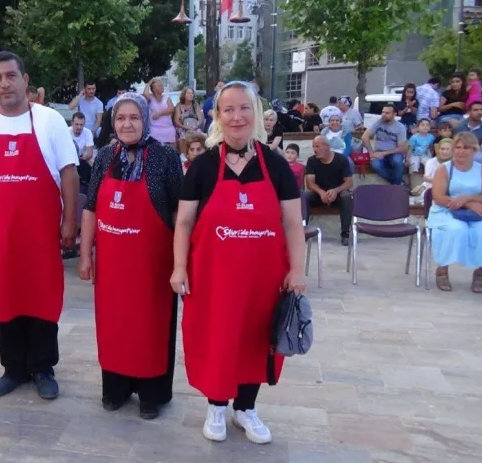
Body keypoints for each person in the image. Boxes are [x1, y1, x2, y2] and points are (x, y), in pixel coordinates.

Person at [171, 81, 306, 444]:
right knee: (218, 336)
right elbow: (183, 222)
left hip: (264, 278)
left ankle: (245, 408)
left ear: (256, 113)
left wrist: (298, 269)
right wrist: (179, 267)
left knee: (256, 340)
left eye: (244, 108)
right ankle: (216, 405)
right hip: (213, 277)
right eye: (228, 109)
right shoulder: (202, 167)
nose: (237, 116)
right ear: (217, 116)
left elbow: (293, 223)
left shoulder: (276, 166)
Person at [0, 51, 79, 400]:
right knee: (4, 295)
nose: (4, 83)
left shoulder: (49, 121)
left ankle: (43, 367)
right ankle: (13, 368)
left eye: (10, 76)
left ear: (25, 80)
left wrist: (69, 221)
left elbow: (68, 172)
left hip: (40, 233)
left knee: (41, 295)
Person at [78, 92, 183, 420]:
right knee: (114, 326)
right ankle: (116, 389)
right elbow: (91, 207)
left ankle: (152, 394)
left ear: (145, 120)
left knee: (151, 328)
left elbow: (181, 214)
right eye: (121, 118)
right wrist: (85, 255)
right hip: (112, 266)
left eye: (134, 118)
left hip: (153, 267)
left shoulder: (165, 157)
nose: (127, 124)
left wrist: (182, 263)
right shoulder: (106, 154)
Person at [429, 132, 482, 293]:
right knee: (456, 229)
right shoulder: (444, 169)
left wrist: (466, 199)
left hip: (477, 209)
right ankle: (442, 271)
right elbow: (438, 197)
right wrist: (468, 204)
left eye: (466, 148)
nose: (461, 151)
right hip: (446, 209)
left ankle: (480, 274)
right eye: (458, 147)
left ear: (474, 150)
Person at [305, 136, 353, 245]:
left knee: (346, 196)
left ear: (327, 147)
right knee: (306, 196)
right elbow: (309, 183)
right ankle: (304, 230)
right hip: (319, 194)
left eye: (317, 146)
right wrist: (321, 192)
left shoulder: (341, 159)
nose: (314, 149)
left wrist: (336, 190)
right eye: (313, 146)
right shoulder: (312, 160)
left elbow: (349, 183)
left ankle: (345, 233)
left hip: (337, 194)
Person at [362, 104, 407, 185]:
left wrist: (384, 153)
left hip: (394, 153)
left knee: (398, 162)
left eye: (387, 113)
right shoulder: (378, 122)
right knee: (375, 165)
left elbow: (402, 148)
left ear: (394, 114)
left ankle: (396, 185)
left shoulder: (400, 127)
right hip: (378, 152)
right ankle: (397, 183)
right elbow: (364, 137)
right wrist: (371, 153)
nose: (383, 115)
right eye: (382, 112)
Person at [143, 77, 176, 148]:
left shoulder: (166, 98)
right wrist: (151, 81)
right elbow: (145, 94)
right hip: (154, 129)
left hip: (167, 128)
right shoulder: (150, 98)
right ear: (154, 89)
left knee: (171, 148)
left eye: (162, 85)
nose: (162, 87)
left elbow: (171, 109)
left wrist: (159, 114)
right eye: (159, 85)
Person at [173, 87, 204, 155]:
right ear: (184, 95)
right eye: (189, 93)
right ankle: (184, 156)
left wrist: (196, 126)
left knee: (200, 136)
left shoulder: (195, 105)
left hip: (194, 126)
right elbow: (176, 121)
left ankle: (199, 155)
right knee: (182, 136)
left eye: (192, 93)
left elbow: (200, 119)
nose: (191, 95)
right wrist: (186, 128)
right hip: (183, 127)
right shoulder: (179, 105)